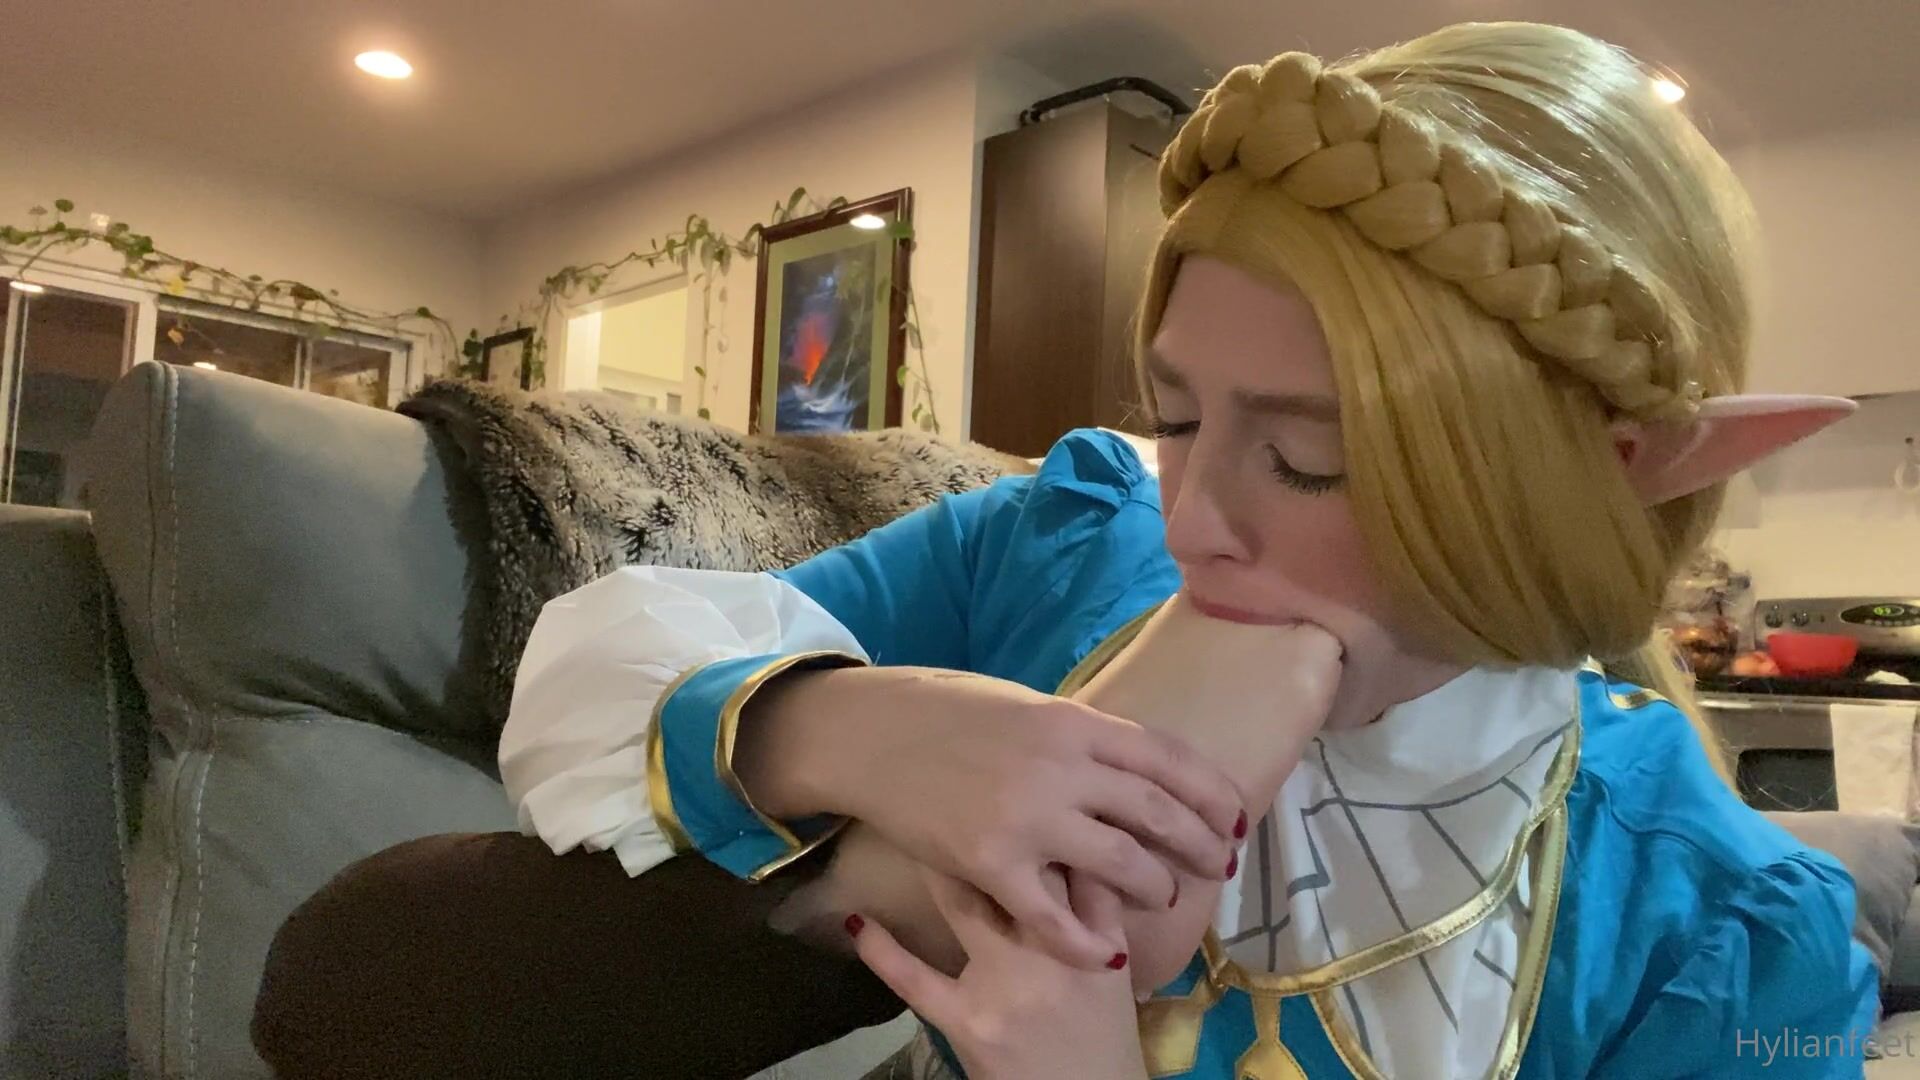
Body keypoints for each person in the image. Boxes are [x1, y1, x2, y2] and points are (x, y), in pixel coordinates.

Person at [497, 21, 1879, 1079]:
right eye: (1179, 417)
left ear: (1599, 478)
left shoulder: (1729, 938)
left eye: (1309, 458)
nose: (1194, 521)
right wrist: (839, 727)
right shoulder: (1071, 538)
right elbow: (587, 674)